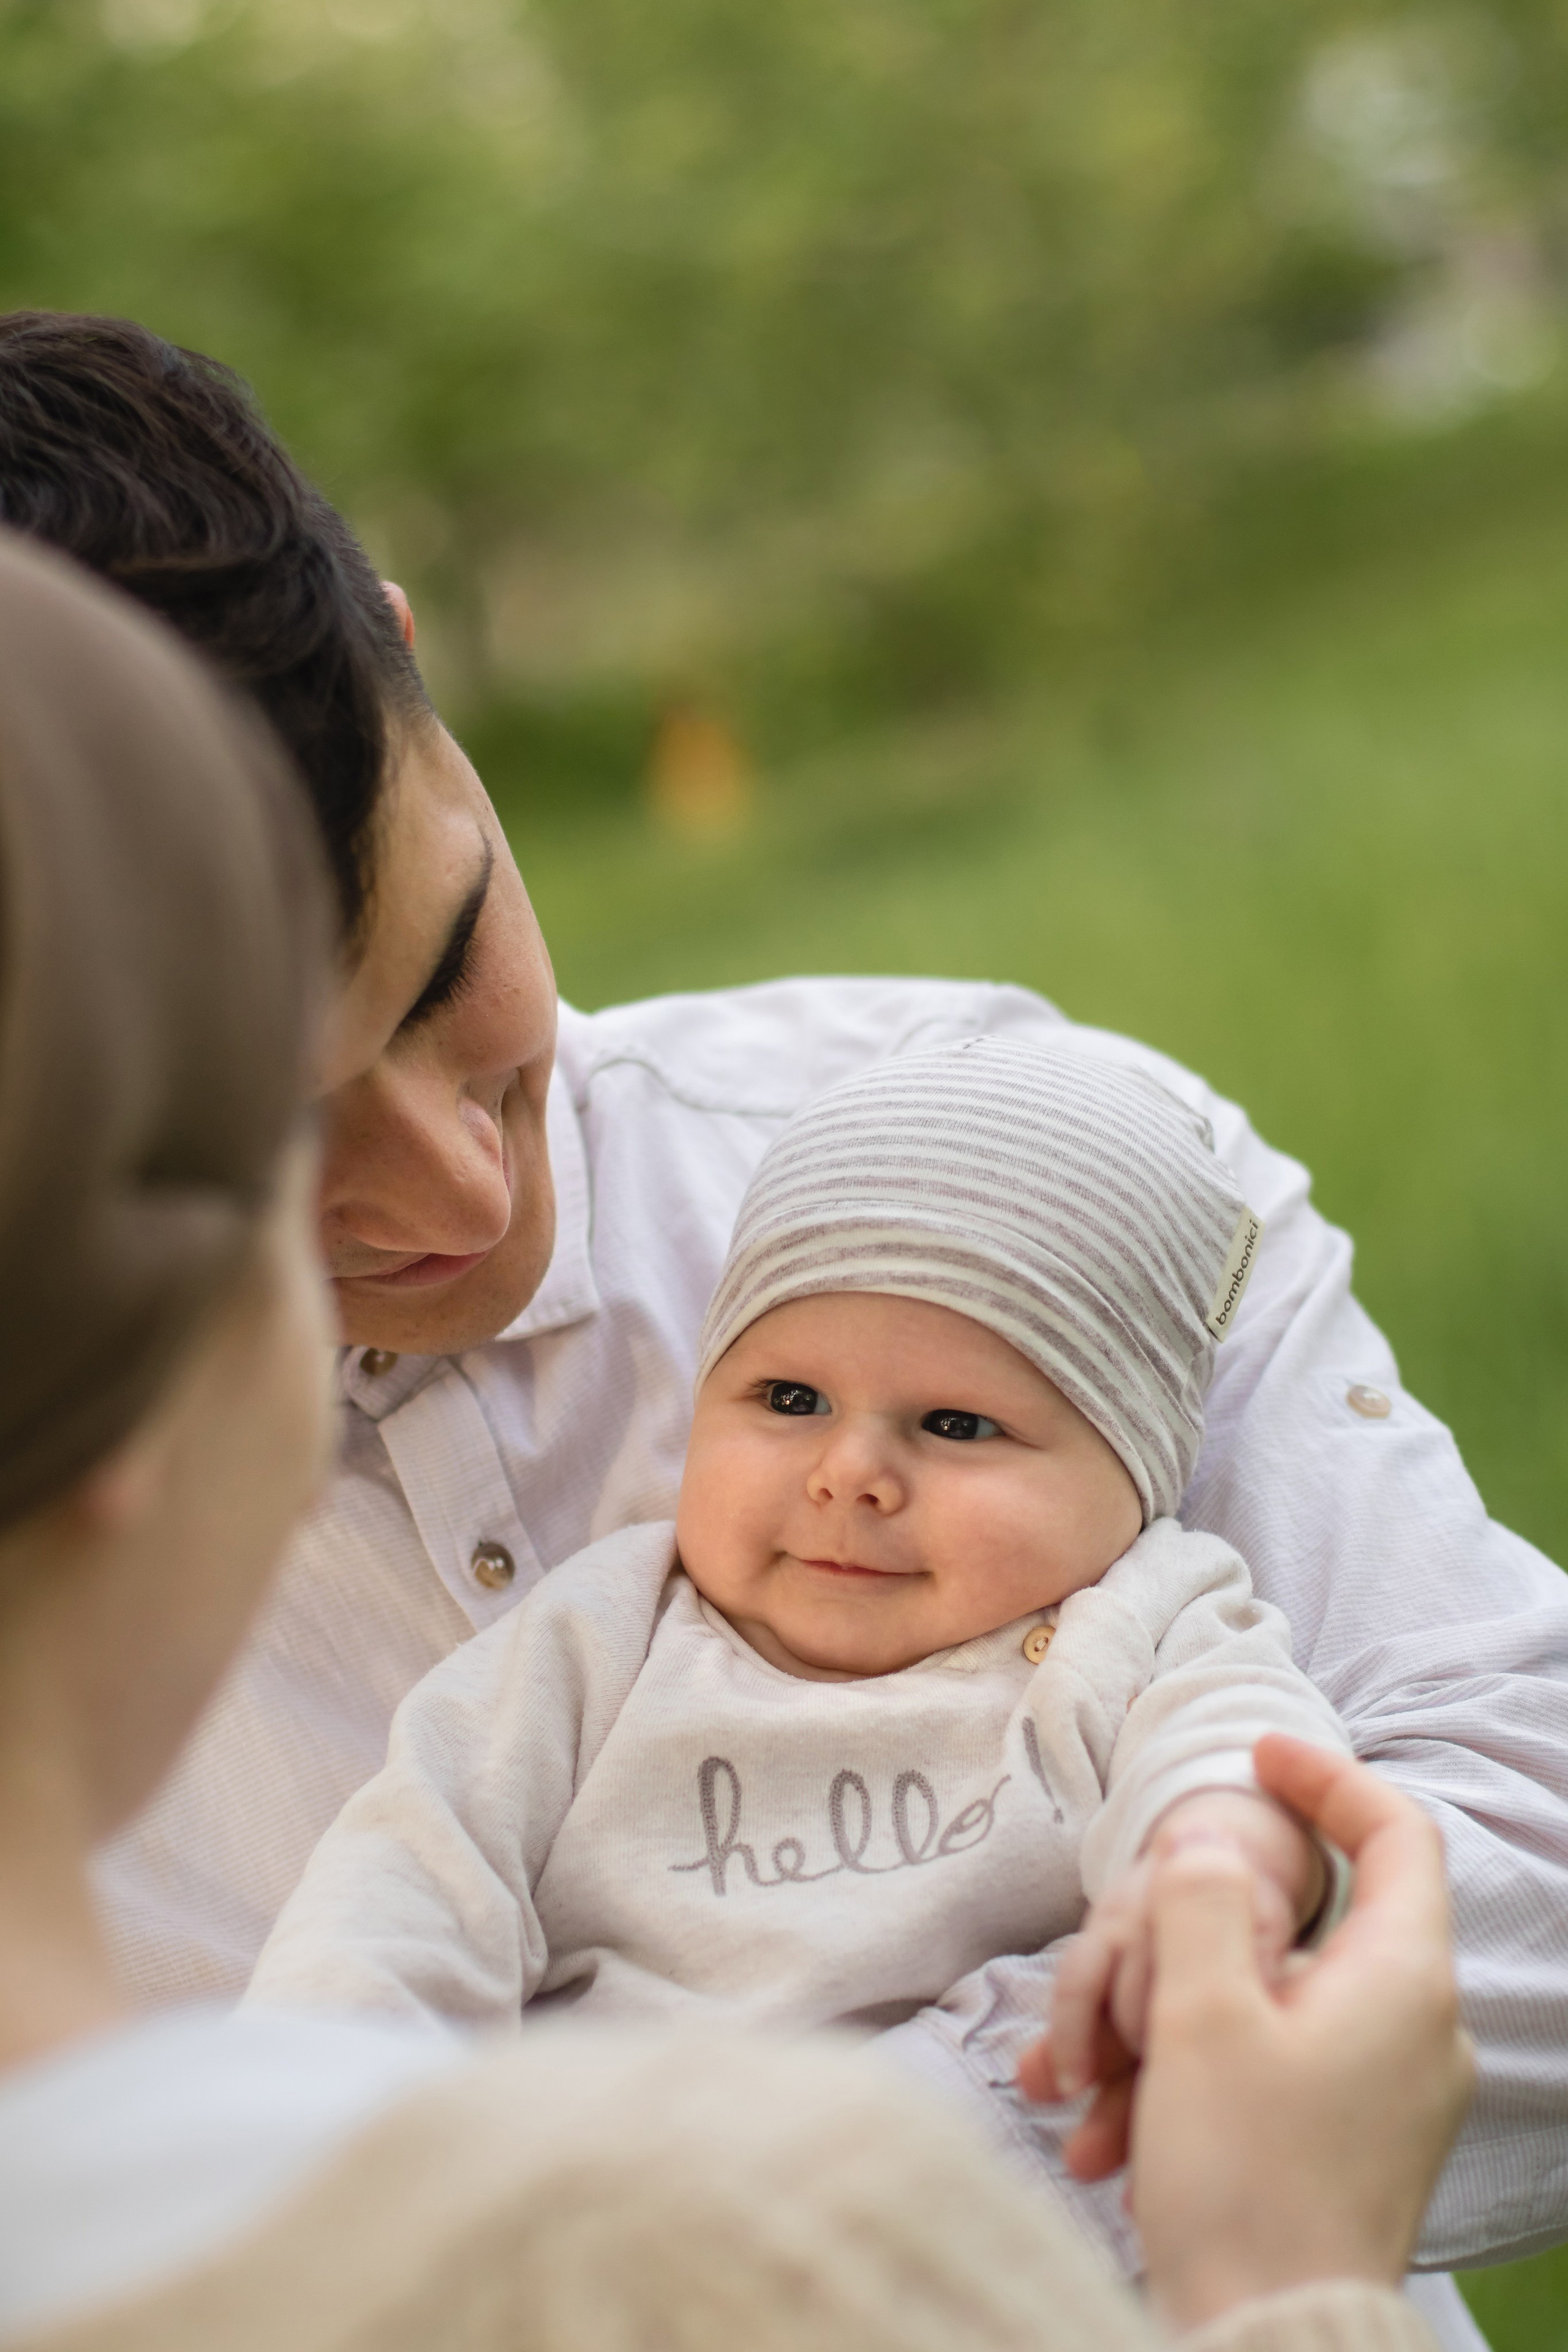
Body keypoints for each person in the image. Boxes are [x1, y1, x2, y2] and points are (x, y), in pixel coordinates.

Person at [0, 314, 1555, 2318]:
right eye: (269, 1149)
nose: (459, 1195)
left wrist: (821, 2192)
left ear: (415, 665)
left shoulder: (1024, 1163)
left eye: (452, 957)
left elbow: (1530, 1864)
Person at [249, 1039, 1348, 2057]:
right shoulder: (606, 1637)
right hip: (614, 2184)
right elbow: (413, 1875)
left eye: (956, 1425)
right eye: (789, 1397)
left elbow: (1238, 1745)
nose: (847, 1472)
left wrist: (1219, 1861)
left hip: (1007, 2191)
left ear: (1136, 1473)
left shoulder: (1141, 1623)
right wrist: (329, 2100)